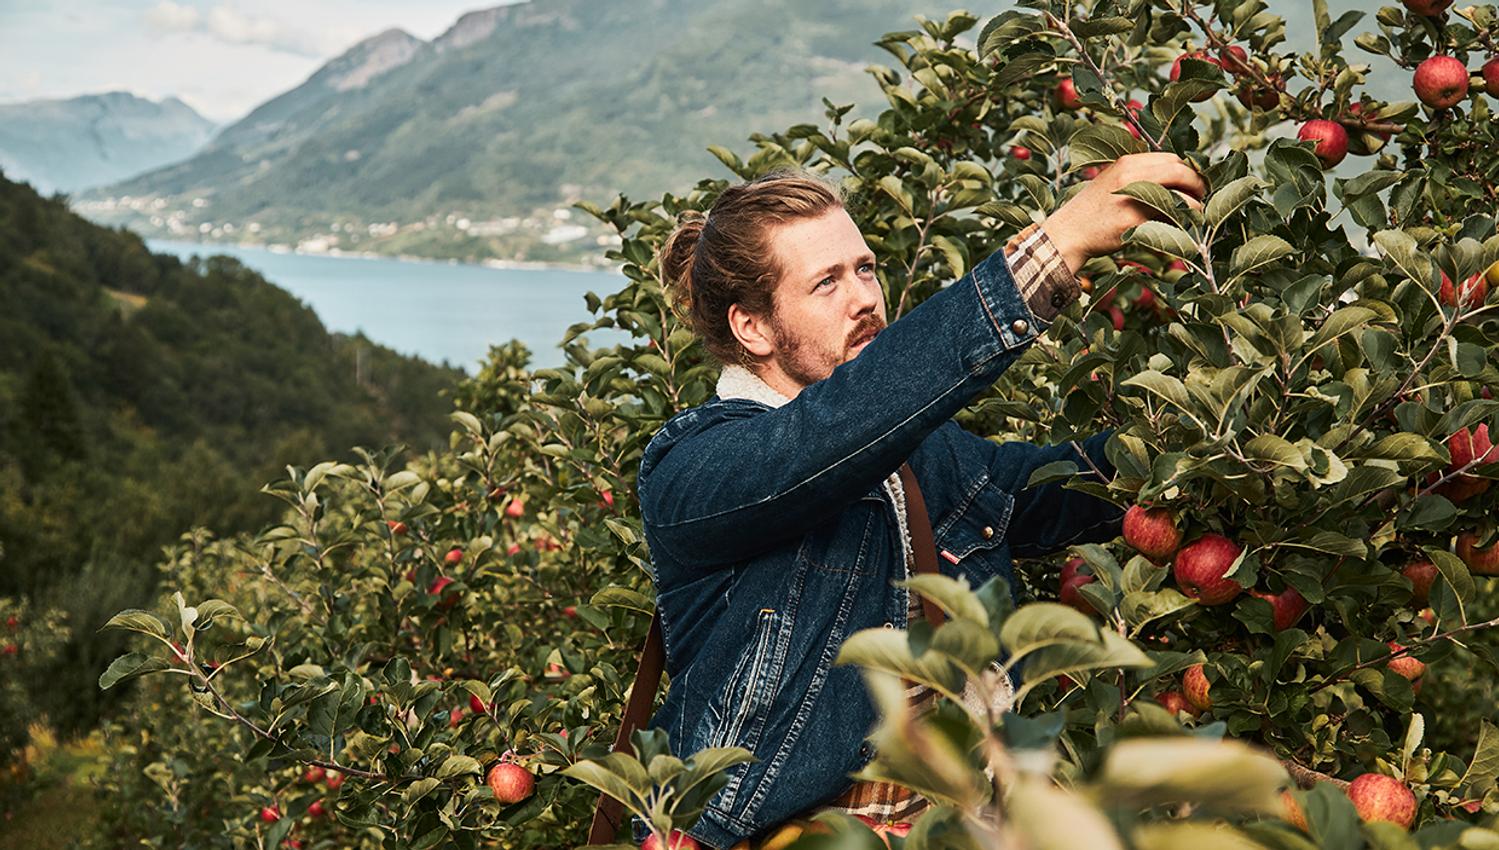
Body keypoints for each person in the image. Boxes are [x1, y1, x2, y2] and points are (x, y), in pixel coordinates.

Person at [633, 153, 1208, 849]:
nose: (864, 298)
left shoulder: (921, 456)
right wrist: (1053, 249)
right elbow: (829, 432)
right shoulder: (697, 469)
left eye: (865, 268)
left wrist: (1205, 443)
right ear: (753, 328)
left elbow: (1054, 488)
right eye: (825, 283)